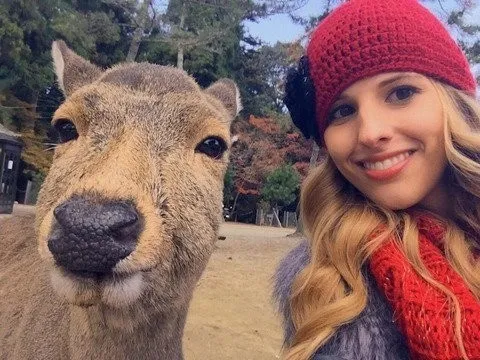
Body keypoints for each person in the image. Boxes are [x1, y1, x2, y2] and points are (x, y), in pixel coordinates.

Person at [274, 0, 480, 359]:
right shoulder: (335, 289)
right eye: (343, 111)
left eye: (400, 93)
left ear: (455, 101)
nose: (370, 133)